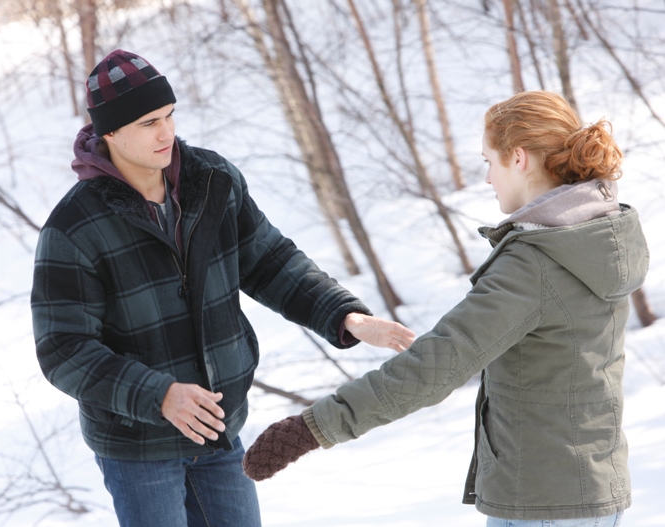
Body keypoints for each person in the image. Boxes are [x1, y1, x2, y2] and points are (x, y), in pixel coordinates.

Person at [30, 49, 415, 527]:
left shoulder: (211, 181)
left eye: (170, 115)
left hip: (220, 430)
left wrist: (345, 316)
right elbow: (63, 349)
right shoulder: (74, 227)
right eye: (149, 122)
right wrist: (159, 394)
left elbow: (272, 262)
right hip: (139, 447)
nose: (166, 133)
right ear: (109, 132)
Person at [242, 91, 649, 527]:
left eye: (488, 161)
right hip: (595, 491)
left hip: (544, 504)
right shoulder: (598, 237)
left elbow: (436, 364)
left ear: (518, 159)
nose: (489, 178)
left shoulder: (537, 264)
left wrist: (313, 427)